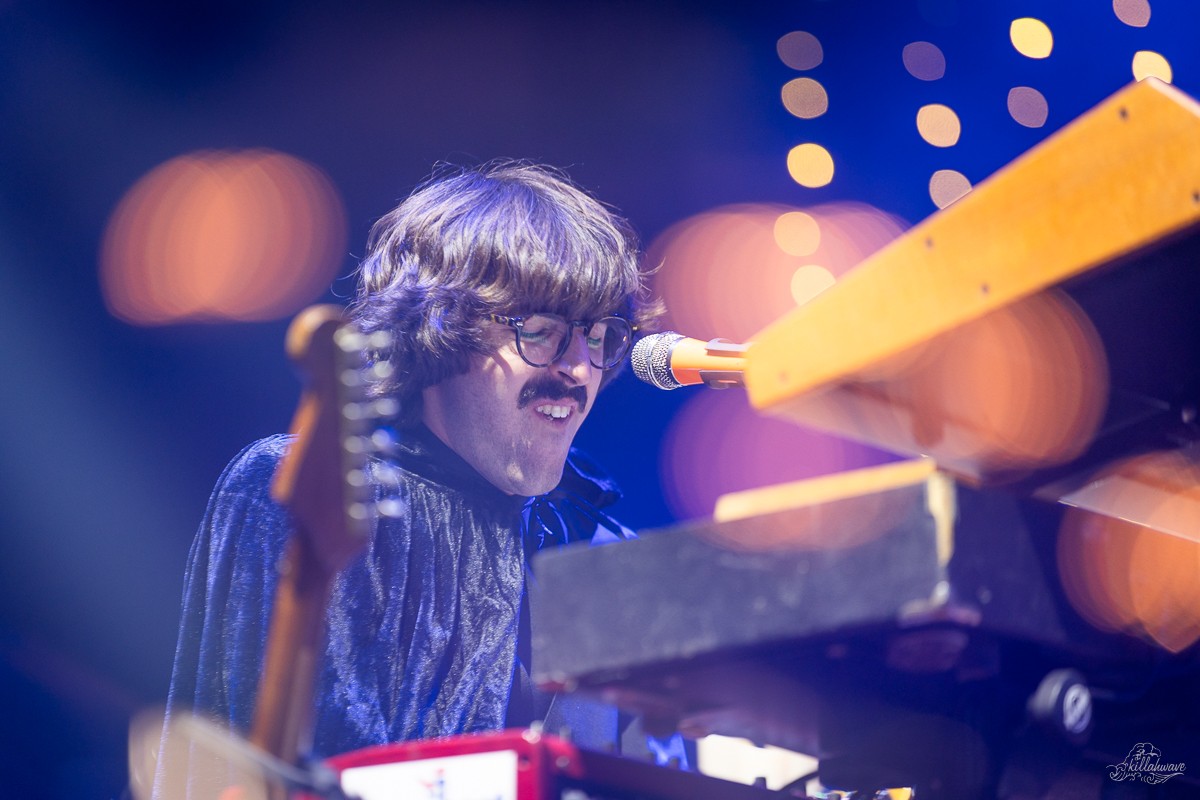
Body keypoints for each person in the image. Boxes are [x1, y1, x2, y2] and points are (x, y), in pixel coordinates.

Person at [158, 161, 674, 789]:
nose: (579, 368)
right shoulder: (308, 486)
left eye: (597, 337)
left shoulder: (602, 552)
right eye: (540, 332)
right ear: (439, 329)